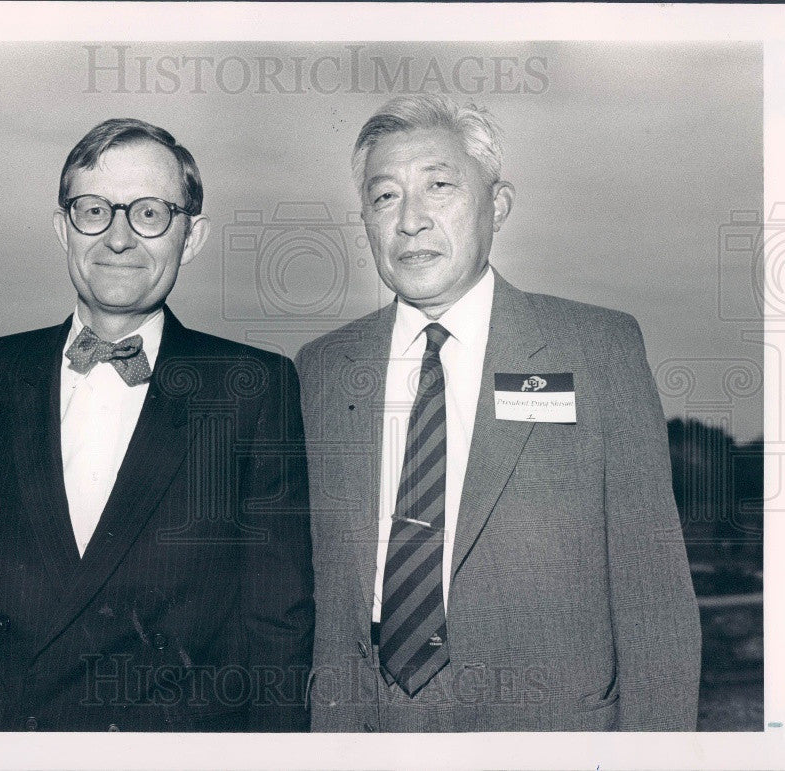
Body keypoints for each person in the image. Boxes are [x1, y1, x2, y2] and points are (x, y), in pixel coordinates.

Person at [295, 95, 701, 731]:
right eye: (384, 197)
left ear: (498, 205)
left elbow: (657, 604)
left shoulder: (598, 350)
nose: (411, 221)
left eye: (439, 186)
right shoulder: (321, 370)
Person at [0, 118, 313, 732]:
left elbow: (278, 628)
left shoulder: (254, 388)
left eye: (149, 213)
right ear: (62, 228)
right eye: (94, 210)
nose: (118, 238)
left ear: (191, 236)